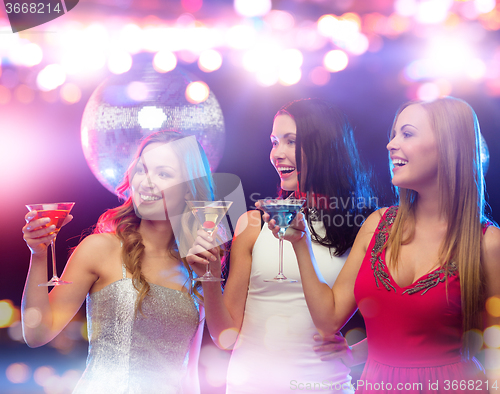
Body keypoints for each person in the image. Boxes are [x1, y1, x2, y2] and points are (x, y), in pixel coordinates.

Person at [267, 97, 500, 393]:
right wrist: (300, 243)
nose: (391, 145)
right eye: (393, 136)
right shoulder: (377, 224)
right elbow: (329, 319)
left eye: (408, 133)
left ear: (448, 146)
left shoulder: (487, 243)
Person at [188, 98, 376, 393]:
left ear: (325, 148)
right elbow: (227, 336)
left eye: (291, 141)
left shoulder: (361, 228)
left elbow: (398, 316)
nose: (278, 154)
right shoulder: (253, 225)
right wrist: (210, 277)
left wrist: (358, 353)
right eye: (275, 142)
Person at [21, 130, 215, 394]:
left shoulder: (198, 267)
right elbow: (37, 334)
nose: (147, 182)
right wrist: (39, 254)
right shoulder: (99, 248)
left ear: (189, 188)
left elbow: (189, 375)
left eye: (164, 174)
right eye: (142, 169)